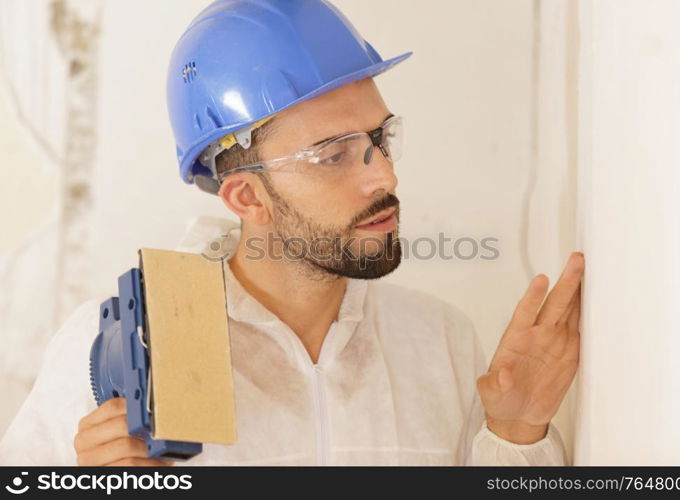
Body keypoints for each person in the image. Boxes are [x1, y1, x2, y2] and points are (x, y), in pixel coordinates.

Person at [0, 0, 584, 466]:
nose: (385, 175)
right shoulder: (115, 352)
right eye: (333, 155)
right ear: (247, 197)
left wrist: (515, 431)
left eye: (379, 140)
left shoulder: (440, 343)